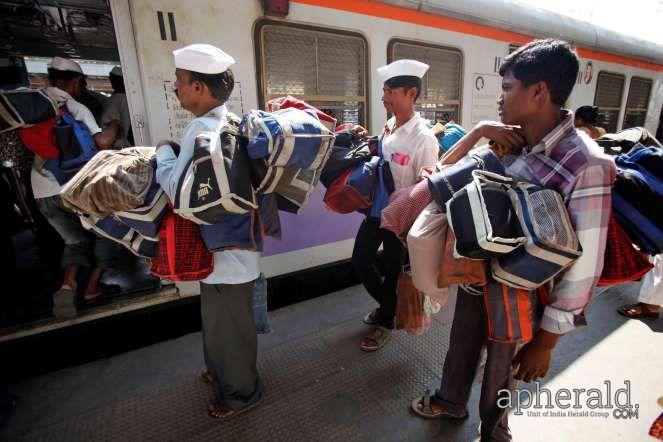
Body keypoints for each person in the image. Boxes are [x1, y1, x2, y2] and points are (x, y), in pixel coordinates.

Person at [410, 39, 616, 442]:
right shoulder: (511, 140)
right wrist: (481, 135)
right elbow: (439, 178)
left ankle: (494, 431)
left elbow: (586, 264)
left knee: (502, 371)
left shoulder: (586, 163)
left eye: (507, 88)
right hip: (477, 275)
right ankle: (451, 401)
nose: (500, 98)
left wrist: (548, 340)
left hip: (521, 294)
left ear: (539, 92)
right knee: (462, 344)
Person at [155, 44, 263, 419]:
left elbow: (177, 191)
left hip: (223, 255)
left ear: (200, 88)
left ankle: (242, 394)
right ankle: (220, 373)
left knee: (230, 329)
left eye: (181, 82)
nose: (176, 88)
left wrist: (162, 155)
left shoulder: (202, 130)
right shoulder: (232, 124)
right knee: (220, 323)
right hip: (235, 247)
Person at [351, 59, 439, 352]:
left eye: (390, 91)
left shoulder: (423, 138)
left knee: (392, 270)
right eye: (384, 90)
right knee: (361, 260)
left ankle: (386, 321)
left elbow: (427, 187)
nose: (383, 97)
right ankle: (389, 305)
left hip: (402, 217)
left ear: (411, 93)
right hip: (377, 211)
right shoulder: (389, 125)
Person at [34, 56, 122, 318]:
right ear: (76, 81)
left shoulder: (36, 104)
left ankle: (68, 284)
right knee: (109, 228)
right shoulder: (74, 107)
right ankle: (92, 287)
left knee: (75, 241)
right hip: (73, 187)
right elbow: (103, 142)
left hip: (42, 191)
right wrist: (115, 125)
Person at [102, 66, 133, 148]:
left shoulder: (124, 99)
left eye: (115, 79)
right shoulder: (114, 97)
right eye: (111, 79)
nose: (112, 82)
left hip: (120, 146)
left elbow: (126, 124)